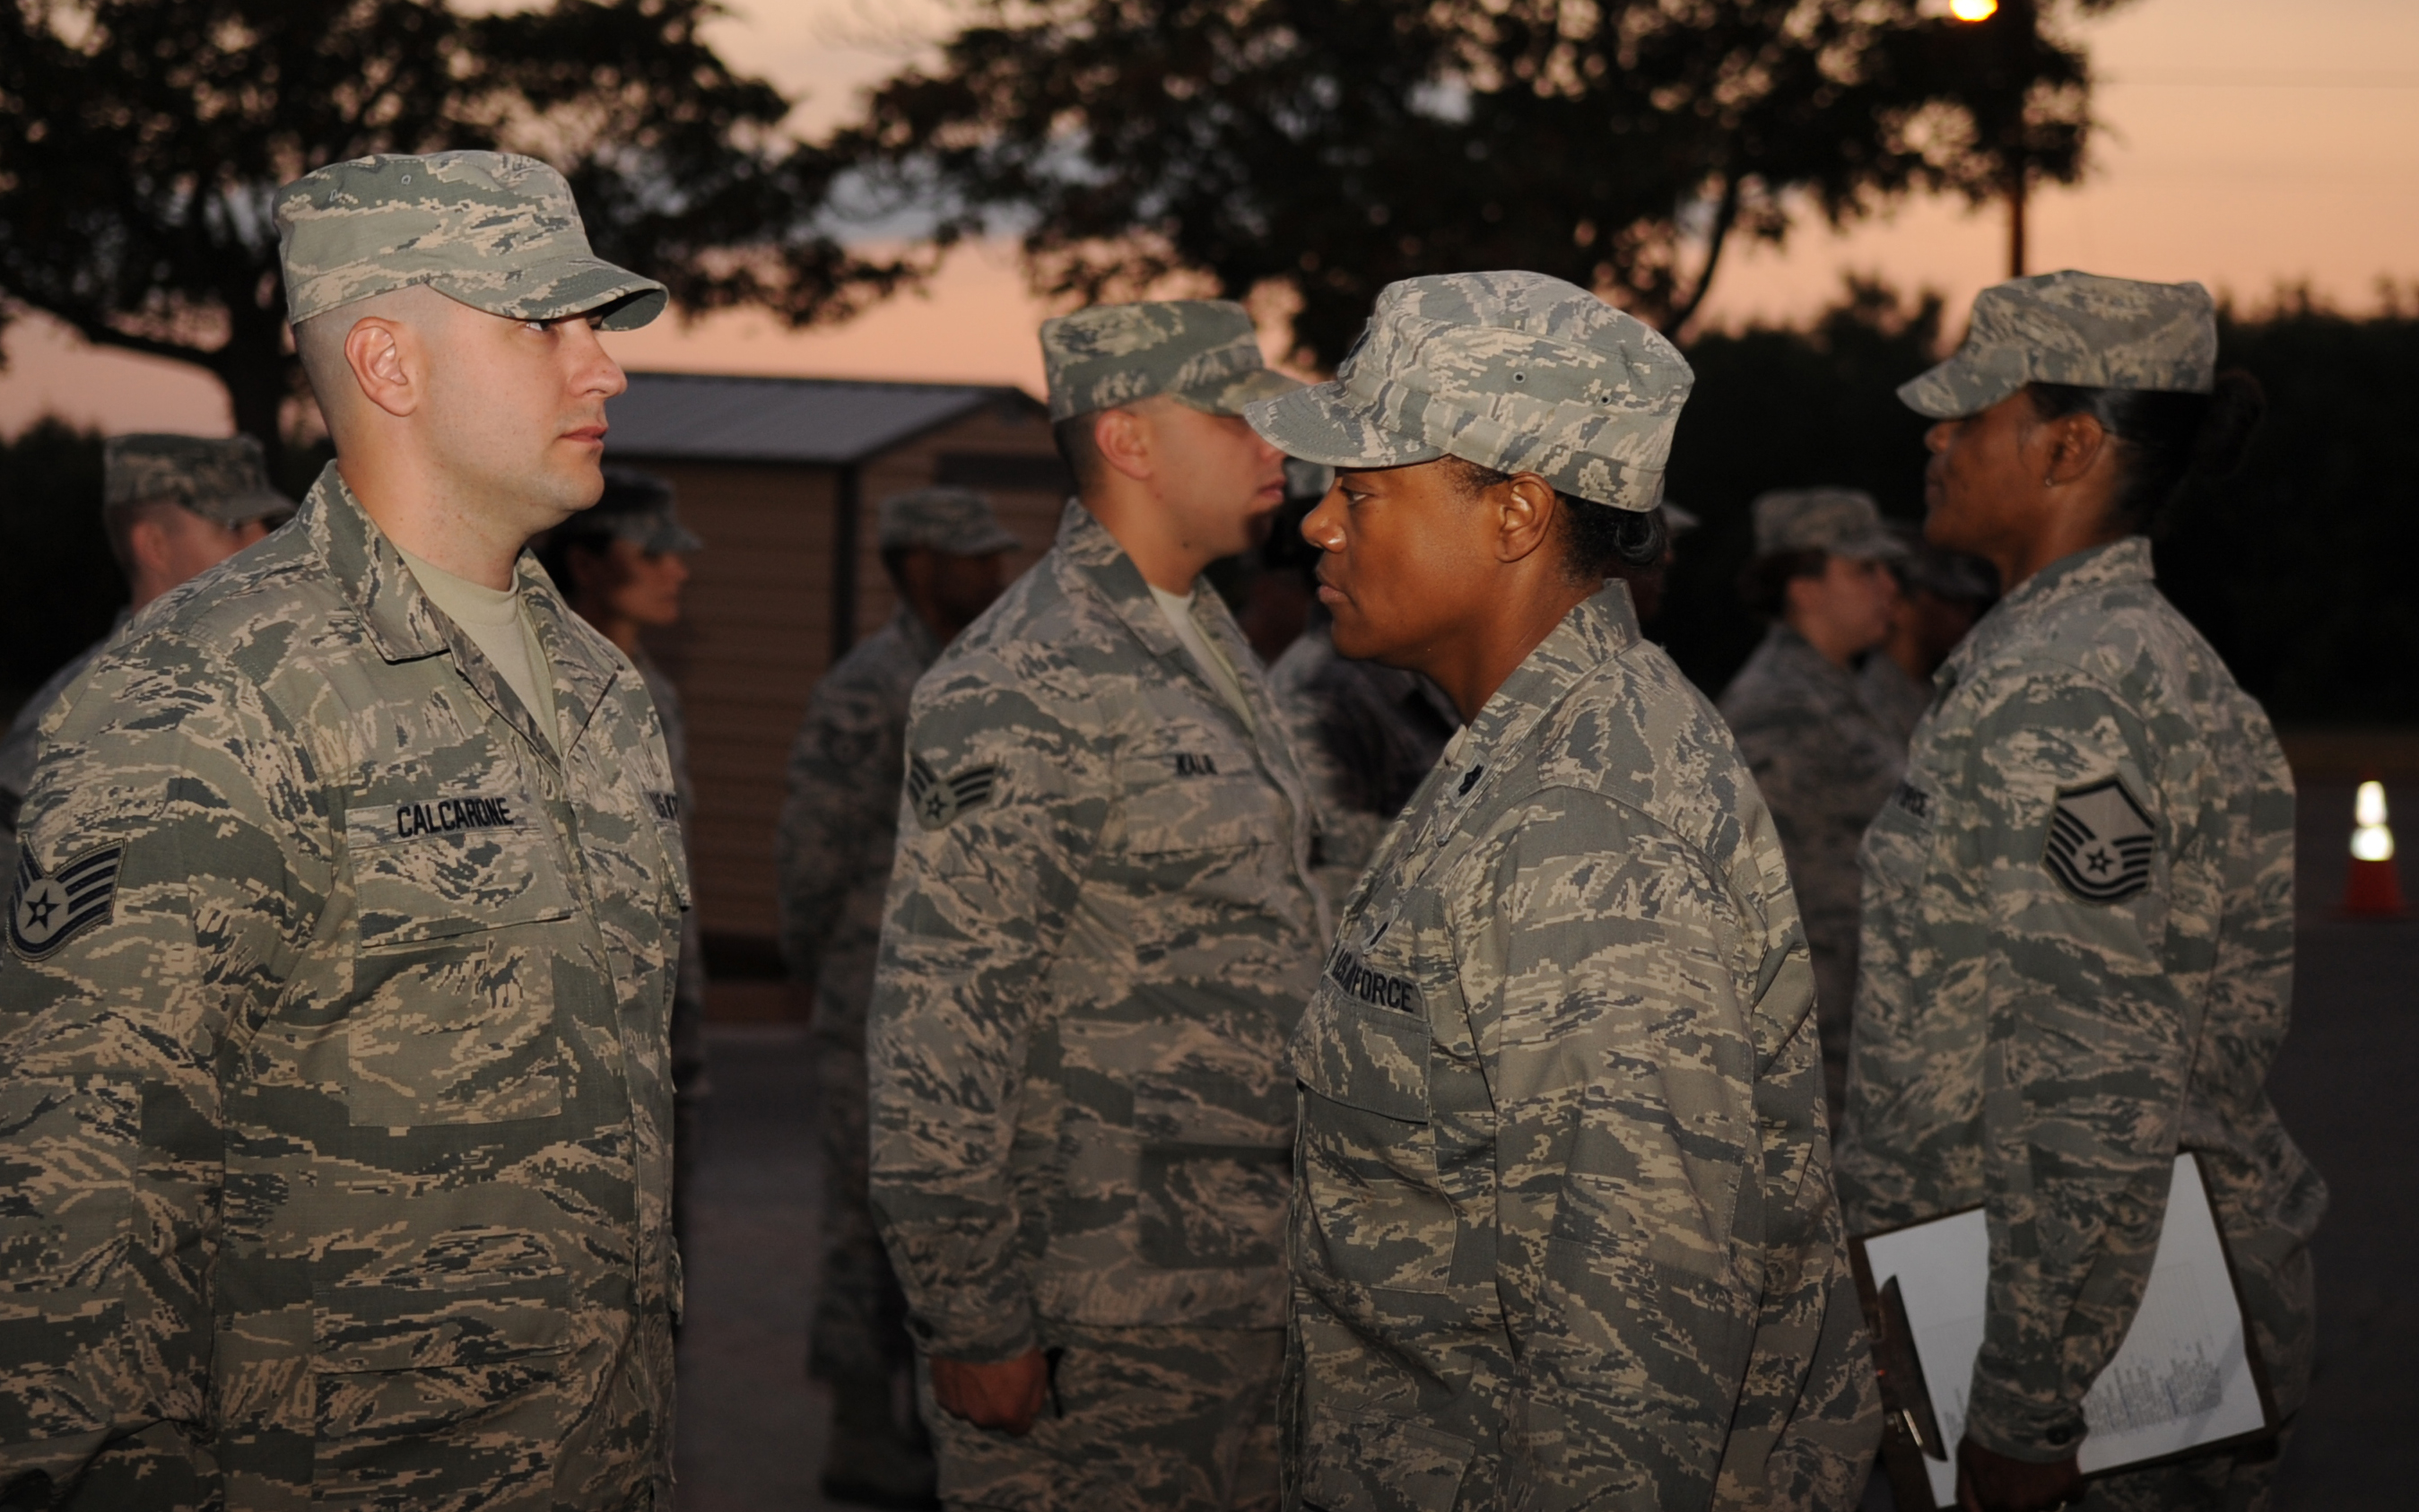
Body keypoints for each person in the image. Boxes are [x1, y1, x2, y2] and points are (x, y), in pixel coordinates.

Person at [0, 150, 687, 1509]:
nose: (603, 371)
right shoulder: (202, 696)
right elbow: (79, 1205)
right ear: (387, 361)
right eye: (546, 326)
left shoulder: (604, 693)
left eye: (597, 330)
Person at [1245, 271, 1878, 1510]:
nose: (1318, 524)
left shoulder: (1584, 830)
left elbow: (1626, 1371)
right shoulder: (1537, 746)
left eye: (1361, 488)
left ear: (1515, 513)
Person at [1839, 271, 2326, 1512]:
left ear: (2069, 442)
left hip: (2067, 1355)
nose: (1934, 439)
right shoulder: (2063, 656)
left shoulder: (2075, 685)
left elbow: (2094, 1072)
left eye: (1968, 413)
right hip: (2033, 1306)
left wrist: (2025, 1402)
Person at [867, 300, 1326, 1512]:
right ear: (1127, 439)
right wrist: (969, 1306)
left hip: (1235, 1286)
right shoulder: (1022, 677)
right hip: (1098, 1313)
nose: (1274, 440)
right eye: (1237, 416)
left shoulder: (1211, 643)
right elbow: (941, 1018)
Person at [775, 484, 1018, 1510]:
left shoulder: (987, 675)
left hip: (965, 1015)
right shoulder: (873, 686)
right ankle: (861, 1427)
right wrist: (816, 974)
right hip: (868, 1003)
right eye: (973, 557)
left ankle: (933, 1421)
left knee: (946, 1216)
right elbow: (810, 857)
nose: (995, 572)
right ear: (919, 565)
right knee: (862, 1225)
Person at [540, 465, 711, 1268]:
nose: (677, 569)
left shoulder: (654, 696)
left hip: (671, 1031)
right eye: (653, 551)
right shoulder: (535, 688)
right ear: (585, 561)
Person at [0, 433, 291, 851]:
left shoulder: (269, 688)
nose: (265, 544)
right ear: (153, 546)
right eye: (233, 526)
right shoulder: (72, 725)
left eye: (268, 525)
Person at [1718, 489, 1908, 1121]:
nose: (1888, 586)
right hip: (1819, 1041)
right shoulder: (1781, 710)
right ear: (1802, 586)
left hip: (1853, 1022)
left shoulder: (1834, 690)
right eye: (1863, 569)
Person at [1858, 524, 1997, 744]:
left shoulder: (1938, 691)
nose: (1968, 613)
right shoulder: (1875, 704)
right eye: (1950, 599)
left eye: (1970, 603)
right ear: (1899, 607)